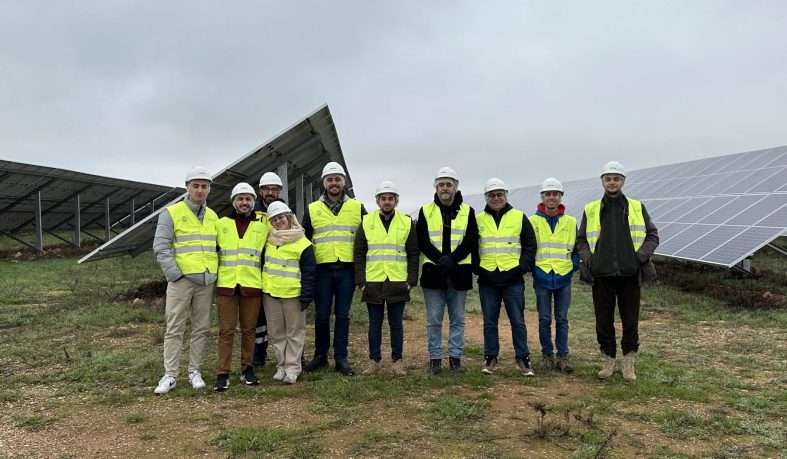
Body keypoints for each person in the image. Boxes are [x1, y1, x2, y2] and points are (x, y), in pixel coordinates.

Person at [576, 161, 659, 381]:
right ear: (602, 182)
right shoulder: (591, 208)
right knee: (603, 321)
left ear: (623, 182)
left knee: (630, 321)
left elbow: (652, 236)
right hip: (601, 275)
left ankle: (629, 361)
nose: (612, 182)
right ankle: (608, 359)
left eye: (616, 179)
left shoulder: (636, 207)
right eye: (608, 179)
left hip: (629, 275)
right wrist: (591, 260)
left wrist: (638, 257)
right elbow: (581, 240)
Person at [152, 166, 218, 394]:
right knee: (175, 327)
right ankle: (170, 375)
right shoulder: (171, 213)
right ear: (187, 187)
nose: (200, 190)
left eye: (204, 186)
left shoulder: (213, 216)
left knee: (201, 328)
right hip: (181, 281)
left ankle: (194, 371)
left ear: (209, 189)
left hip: (206, 281)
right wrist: (175, 275)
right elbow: (161, 247)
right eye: (196, 186)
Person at [301, 161, 367, 376]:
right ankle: (320, 355)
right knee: (321, 315)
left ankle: (341, 358)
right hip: (322, 270)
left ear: (343, 182)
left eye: (337, 179)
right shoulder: (312, 209)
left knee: (343, 315)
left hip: (347, 270)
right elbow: (303, 240)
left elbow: (369, 235)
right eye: (330, 180)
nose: (334, 183)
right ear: (324, 183)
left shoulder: (357, 207)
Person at [353, 181, 419, 376]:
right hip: (373, 281)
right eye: (383, 198)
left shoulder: (406, 222)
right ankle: (374, 361)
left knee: (396, 324)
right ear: (377, 201)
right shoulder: (367, 221)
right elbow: (359, 253)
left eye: (391, 198)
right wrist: (361, 282)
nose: (387, 202)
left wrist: (411, 281)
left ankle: (397, 362)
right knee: (374, 324)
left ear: (396, 201)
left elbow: (413, 253)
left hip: (398, 281)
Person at [417, 166, 478, 374]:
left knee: (458, 320)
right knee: (434, 320)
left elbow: (471, 239)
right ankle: (435, 359)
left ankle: (455, 359)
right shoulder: (425, 211)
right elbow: (423, 240)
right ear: (436, 187)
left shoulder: (468, 211)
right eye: (441, 184)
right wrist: (440, 260)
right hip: (433, 275)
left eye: (448, 184)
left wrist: (452, 260)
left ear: (455, 187)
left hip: (459, 274)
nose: (445, 188)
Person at [473, 178, 537, 377]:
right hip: (487, 279)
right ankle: (490, 357)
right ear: (486, 198)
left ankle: (523, 358)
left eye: (500, 194)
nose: (496, 198)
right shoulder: (477, 219)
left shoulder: (519, 217)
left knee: (517, 320)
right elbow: (471, 247)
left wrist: (521, 268)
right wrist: (479, 269)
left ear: (506, 196)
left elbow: (530, 245)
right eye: (492, 195)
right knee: (489, 321)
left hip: (513, 279)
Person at [213, 183, 270, 392]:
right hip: (227, 286)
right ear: (233, 201)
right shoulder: (221, 224)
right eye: (240, 199)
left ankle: (247, 369)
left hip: (252, 285)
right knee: (226, 331)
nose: (244, 203)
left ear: (253, 202)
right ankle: (223, 373)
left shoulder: (262, 227)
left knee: (249, 331)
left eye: (248, 199)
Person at [261, 201, 316, 384]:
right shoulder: (269, 240)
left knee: (294, 333)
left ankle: (293, 368)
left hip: (293, 296)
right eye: (274, 219)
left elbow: (309, 272)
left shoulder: (303, 243)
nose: (279, 222)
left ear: (289, 218)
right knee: (277, 333)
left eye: (281, 217)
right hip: (271, 295)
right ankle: (281, 366)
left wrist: (306, 296)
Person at [529, 178, 579, 374]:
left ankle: (563, 355)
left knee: (562, 319)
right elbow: (528, 248)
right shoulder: (532, 221)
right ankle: (547, 355)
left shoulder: (571, 222)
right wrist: (534, 269)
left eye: (555, 194)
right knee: (544, 319)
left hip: (563, 276)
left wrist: (573, 266)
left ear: (560, 196)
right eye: (548, 194)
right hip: (541, 276)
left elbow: (577, 249)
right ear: (542, 197)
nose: (551, 197)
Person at [251, 171, 283, 367]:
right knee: (259, 316)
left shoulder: (286, 212)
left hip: (278, 270)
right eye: (266, 189)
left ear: (279, 191)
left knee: (283, 317)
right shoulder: (252, 213)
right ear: (260, 191)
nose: (270, 193)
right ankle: (259, 354)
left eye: (274, 189)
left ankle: (289, 355)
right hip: (255, 269)